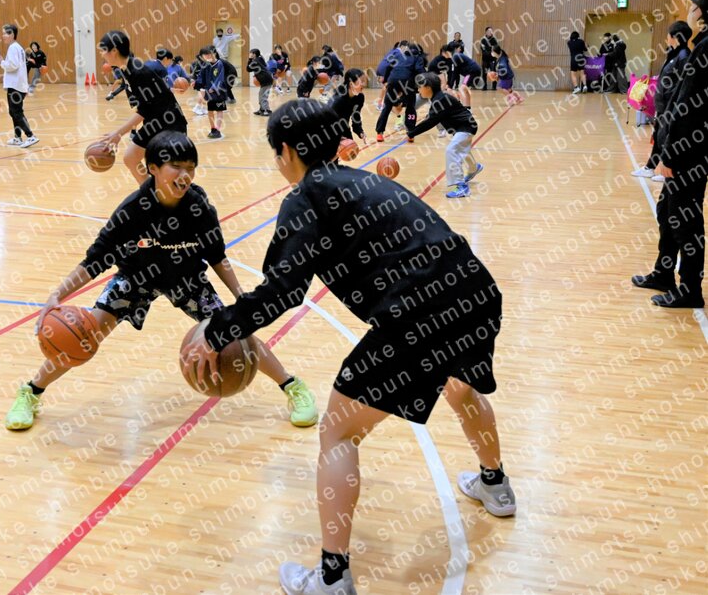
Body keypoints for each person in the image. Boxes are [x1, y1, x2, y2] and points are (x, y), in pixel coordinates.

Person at [182, 99, 515, 595]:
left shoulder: (305, 198)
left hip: (419, 315)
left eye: (277, 154)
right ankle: (495, 485)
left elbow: (282, 291)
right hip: (475, 292)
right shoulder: (362, 181)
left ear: (286, 151)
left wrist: (217, 332)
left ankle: (332, 578)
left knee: (337, 433)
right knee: (460, 387)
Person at [5, 130, 318, 431]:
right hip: (135, 278)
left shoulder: (199, 208)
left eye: (191, 168)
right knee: (82, 335)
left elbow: (217, 257)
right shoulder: (132, 211)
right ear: (152, 168)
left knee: (234, 331)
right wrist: (57, 295)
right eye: (176, 167)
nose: (185, 175)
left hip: (187, 279)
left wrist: (241, 300)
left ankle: (293, 386)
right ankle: (31, 392)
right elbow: (95, 260)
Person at [632, 0, 708, 309]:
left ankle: (689, 288)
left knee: (685, 221)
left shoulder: (703, 51)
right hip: (683, 150)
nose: (690, 12)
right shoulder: (700, 46)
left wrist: (670, 156)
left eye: (693, 7)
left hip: (689, 153)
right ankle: (664, 273)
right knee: (667, 212)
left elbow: (688, 109)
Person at [99, 30, 188, 182]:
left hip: (170, 124)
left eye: (103, 50)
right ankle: (150, 192)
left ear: (114, 51)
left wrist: (119, 133)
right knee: (130, 158)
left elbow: (144, 110)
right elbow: (155, 93)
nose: (102, 54)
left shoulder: (138, 71)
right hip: (154, 122)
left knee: (165, 174)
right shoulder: (126, 69)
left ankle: (172, 193)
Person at [631, 21, 692, 181]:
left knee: (667, 138)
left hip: (671, 107)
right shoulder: (674, 54)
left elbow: (682, 85)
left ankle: (670, 172)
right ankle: (650, 168)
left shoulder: (684, 56)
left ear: (675, 37)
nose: (666, 38)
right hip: (663, 107)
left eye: (668, 35)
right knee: (659, 137)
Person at [410, 72, 482, 198]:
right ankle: (474, 168)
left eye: (420, 87)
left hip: (466, 127)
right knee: (461, 148)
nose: (418, 90)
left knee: (451, 150)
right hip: (461, 127)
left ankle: (461, 187)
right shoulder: (438, 98)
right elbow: (431, 117)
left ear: (428, 87)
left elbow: (431, 122)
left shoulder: (440, 99)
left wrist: (412, 133)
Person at [0, 23, 38, 148]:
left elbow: (13, 65)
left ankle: (30, 136)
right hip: (18, 85)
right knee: (13, 111)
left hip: (16, 86)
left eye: (5, 33)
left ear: (12, 34)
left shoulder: (13, 48)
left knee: (16, 112)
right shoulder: (17, 47)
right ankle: (17, 137)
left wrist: (1, 62)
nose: (3, 36)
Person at [375, 41, 424, 142]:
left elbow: (388, 67)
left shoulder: (398, 56)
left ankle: (379, 133)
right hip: (408, 84)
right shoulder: (417, 57)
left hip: (393, 81)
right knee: (411, 108)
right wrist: (424, 82)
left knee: (387, 107)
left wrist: (385, 80)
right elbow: (420, 70)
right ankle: (411, 133)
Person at [330, 68, 367, 151]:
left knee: (351, 151)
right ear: (351, 84)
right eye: (361, 81)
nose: (364, 84)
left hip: (343, 127)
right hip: (328, 130)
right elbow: (327, 122)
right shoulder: (338, 100)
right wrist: (338, 138)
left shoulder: (360, 98)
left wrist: (360, 131)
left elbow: (356, 117)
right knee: (332, 156)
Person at [195, 46, 227, 138]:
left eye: (209, 54)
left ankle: (218, 129)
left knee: (219, 110)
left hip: (219, 92)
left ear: (214, 53)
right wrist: (196, 84)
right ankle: (213, 128)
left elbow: (220, 78)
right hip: (209, 92)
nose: (207, 56)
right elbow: (201, 77)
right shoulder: (206, 65)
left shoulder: (219, 64)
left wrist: (214, 87)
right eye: (205, 55)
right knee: (210, 110)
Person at [444, 42, 482, 108]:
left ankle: (465, 106)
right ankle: (467, 106)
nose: (460, 49)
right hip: (469, 74)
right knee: (463, 88)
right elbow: (454, 72)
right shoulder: (455, 56)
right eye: (459, 47)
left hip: (472, 72)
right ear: (455, 49)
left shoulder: (456, 56)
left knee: (462, 88)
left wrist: (450, 86)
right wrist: (450, 84)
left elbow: (455, 72)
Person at [247, 48, 274, 116]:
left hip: (266, 80)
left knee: (263, 96)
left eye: (251, 53)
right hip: (266, 79)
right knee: (261, 94)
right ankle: (262, 109)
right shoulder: (260, 59)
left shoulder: (255, 61)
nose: (249, 54)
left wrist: (249, 59)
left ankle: (266, 110)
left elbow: (248, 69)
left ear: (254, 54)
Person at [479, 26, 498, 91]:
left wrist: (490, 51)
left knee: (493, 72)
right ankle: (485, 86)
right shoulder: (483, 40)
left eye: (491, 31)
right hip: (485, 59)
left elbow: (495, 49)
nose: (490, 32)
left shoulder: (494, 40)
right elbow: (483, 49)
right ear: (486, 32)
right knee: (484, 73)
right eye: (489, 31)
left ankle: (494, 86)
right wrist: (490, 51)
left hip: (492, 60)